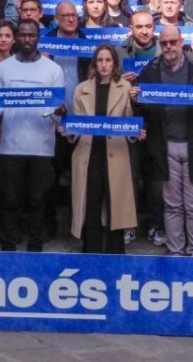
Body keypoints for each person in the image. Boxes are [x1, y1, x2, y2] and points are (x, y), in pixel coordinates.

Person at [136, 24, 193, 257]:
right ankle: (175, 253)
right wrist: (136, 98)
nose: (169, 47)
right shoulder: (150, 71)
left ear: (181, 42)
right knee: (172, 206)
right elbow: (142, 109)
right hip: (165, 146)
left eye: (173, 42)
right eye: (164, 43)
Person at [0, 19, 66, 252]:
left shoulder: (53, 70)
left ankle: (35, 245)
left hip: (42, 147)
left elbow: (57, 113)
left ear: (38, 37)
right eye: (22, 35)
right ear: (15, 37)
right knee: (10, 201)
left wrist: (60, 111)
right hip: (10, 146)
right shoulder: (3, 69)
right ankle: (9, 245)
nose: (26, 40)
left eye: (31, 35)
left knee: (37, 201)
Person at [68, 44, 140, 254]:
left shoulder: (126, 88)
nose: (104, 64)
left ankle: (115, 253)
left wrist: (136, 130)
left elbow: (130, 121)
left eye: (108, 60)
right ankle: (91, 251)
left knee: (116, 206)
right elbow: (76, 124)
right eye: (100, 60)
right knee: (90, 204)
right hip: (88, 154)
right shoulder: (82, 88)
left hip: (115, 153)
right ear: (94, 63)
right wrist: (68, 130)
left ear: (115, 63)